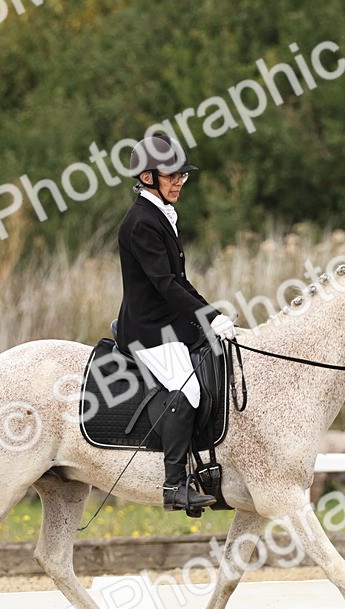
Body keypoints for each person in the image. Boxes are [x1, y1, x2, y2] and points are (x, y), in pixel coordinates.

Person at [115, 134, 236, 512]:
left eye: (183, 175)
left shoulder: (162, 213)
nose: (179, 182)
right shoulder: (141, 222)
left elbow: (180, 282)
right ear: (147, 177)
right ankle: (174, 485)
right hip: (148, 330)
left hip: (168, 322)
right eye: (172, 176)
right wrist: (209, 317)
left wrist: (212, 315)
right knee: (188, 390)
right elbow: (165, 285)